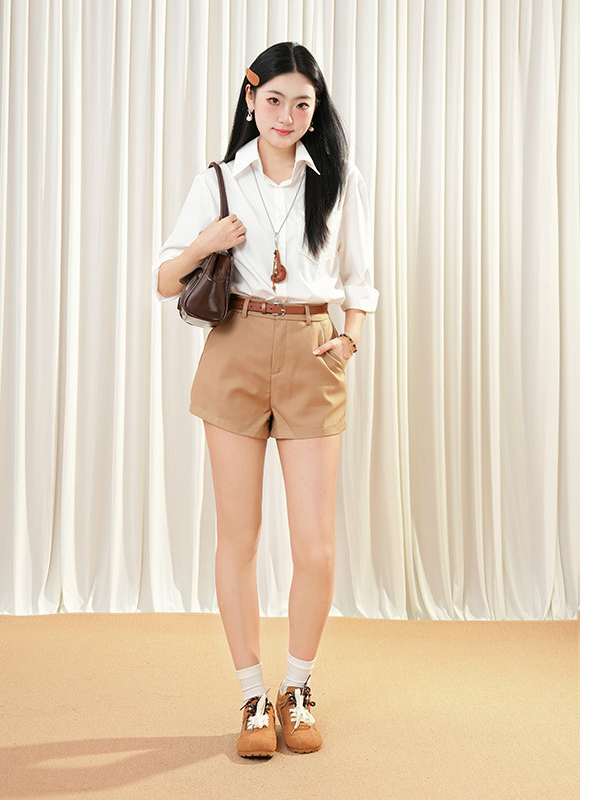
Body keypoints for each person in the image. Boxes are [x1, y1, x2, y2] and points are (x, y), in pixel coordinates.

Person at [153, 41, 378, 757]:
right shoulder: (219, 180)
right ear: (250, 100)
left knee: (315, 545)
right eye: (274, 99)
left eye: (301, 104)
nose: (286, 115)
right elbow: (164, 279)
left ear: (316, 111)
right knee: (239, 536)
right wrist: (206, 242)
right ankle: (253, 695)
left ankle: (298, 688)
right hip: (236, 348)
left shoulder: (337, 181)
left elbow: (360, 280)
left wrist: (348, 340)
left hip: (313, 350)